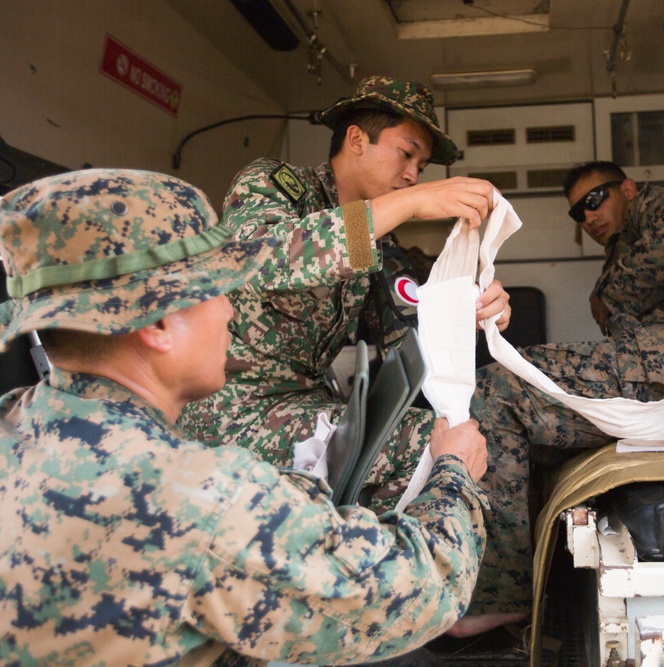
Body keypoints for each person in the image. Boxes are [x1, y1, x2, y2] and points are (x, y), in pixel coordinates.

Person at [0, 169, 490, 665]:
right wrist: (453, 476)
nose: (233, 312)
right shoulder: (202, 498)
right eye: (222, 290)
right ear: (158, 324)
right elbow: (420, 593)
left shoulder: (15, 422)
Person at [177, 76, 526, 636]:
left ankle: (455, 599)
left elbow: (408, 328)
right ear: (358, 140)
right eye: (407, 155)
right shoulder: (273, 185)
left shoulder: (379, 243)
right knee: (426, 448)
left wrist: (473, 306)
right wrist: (409, 204)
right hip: (230, 405)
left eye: (421, 166)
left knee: (452, 430)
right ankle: (421, 608)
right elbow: (266, 259)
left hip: (304, 400)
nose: (414, 174)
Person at [468, 161, 664, 614]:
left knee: (496, 389)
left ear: (628, 188)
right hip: (649, 368)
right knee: (519, 401)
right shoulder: (626, 242)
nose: (588, 216)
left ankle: (499, 599)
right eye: (578, 213)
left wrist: (608, 292)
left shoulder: (658, 206)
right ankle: (536, 573)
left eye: (595, 200)